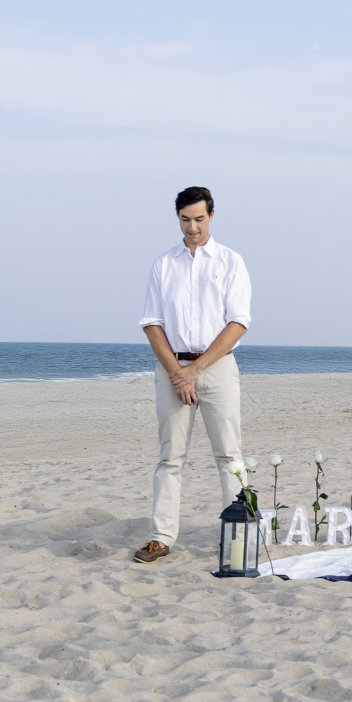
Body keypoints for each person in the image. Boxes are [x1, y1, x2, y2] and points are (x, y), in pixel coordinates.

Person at [133, 186, 251, 563]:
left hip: (217, 368)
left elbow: (238, 322)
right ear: (178, 218)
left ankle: (240, 536)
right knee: (170, 457)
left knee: (229, 455)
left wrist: (195, 371)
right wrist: (177, 374)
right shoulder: (163, 264)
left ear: (211, 216)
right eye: (185, 219)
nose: (192, 227)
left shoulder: (231, 262)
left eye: (199, 218)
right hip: (172, 368)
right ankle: (161, 537)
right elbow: (152, 323)